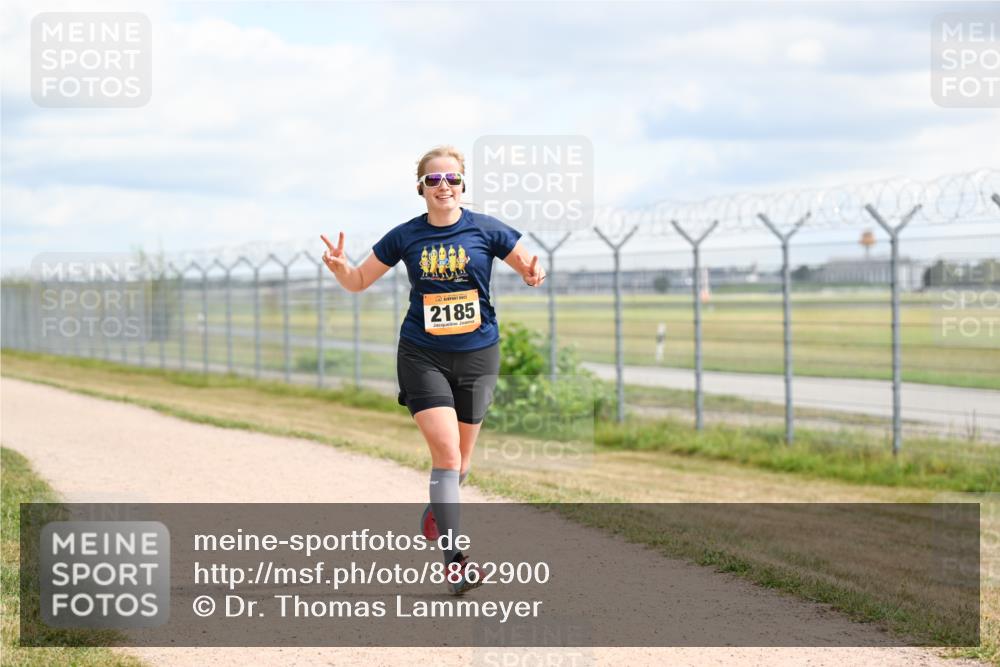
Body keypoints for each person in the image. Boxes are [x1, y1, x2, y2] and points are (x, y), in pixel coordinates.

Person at [320, 145, 546, 595]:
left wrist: (533, 275)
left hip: (479, 354)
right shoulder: (406, 236)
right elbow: (359, 281)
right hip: (422, 355)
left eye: (452, 178)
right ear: (421, 187)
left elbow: (529, 267)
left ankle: (438, 510)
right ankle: (456, 563)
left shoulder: (487, 229)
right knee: (446, 456)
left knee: (461, 462)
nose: (444, 186)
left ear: (463, 184)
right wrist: (342, 268)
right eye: (434, 179)